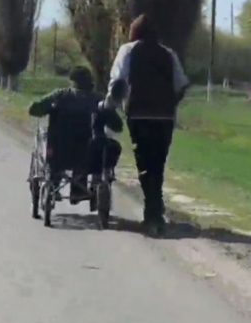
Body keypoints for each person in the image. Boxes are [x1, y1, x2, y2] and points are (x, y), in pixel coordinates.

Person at [105, 14, 190, 236]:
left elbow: (118, 82)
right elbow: (181, 85)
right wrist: (170, 104)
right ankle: (155, 208)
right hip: (165, 117)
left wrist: (110, 106)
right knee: (157, 164)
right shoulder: (168, 53)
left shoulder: (128, 50)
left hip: (139, 114)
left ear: (134, 32)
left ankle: (153, 213)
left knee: (144, 164)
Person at [28, 66, 103, 204]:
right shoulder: (95, 100)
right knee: (85, 155)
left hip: (57, 150)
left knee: (53, 156)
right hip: (83, 153)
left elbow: (35, 108)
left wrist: (46, 109)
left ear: (72, 81)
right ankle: (78, 190)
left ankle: (53, 184)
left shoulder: (60, 95)